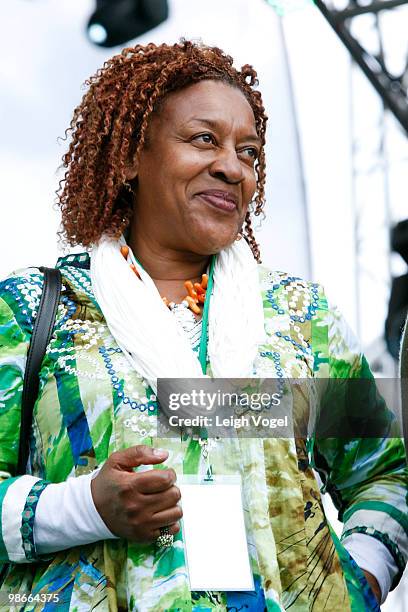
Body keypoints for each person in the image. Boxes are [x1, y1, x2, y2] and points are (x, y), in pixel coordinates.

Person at [0, 40, 406, 612]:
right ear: (129, 156)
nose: (232, 166)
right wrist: (86, 508)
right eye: (204, 139)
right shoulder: (32, 310)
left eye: (250, 152)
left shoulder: (302, 318)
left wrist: (357, 583)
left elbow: (385, 474)